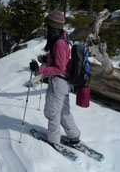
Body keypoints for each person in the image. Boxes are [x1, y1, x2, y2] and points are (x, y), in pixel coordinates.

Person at [29, 10, 81, 150]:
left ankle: (53, 140)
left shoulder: (59, 43)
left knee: (52, 112)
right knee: (63, 111)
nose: (44, 28)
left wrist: (40, 69)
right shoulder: (63, 40)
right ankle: (74, 136)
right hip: (64, 83)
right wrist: (48, 60)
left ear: (52, 28)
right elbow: (61, 62)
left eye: (46, 25)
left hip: (58, 83)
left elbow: (59, 69)